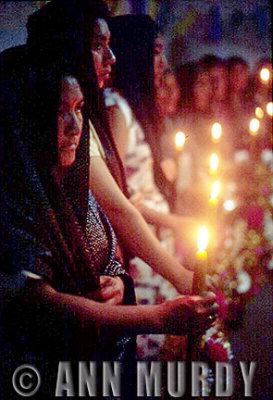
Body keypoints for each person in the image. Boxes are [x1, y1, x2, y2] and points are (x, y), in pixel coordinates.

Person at [0, 60, 216, 398]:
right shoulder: (11, 199)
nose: (75, 126)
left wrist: (117, 283)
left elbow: (108, 254)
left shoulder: (73, 186)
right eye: (60, 111)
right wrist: (157, 317)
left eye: (79, 108)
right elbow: (39, 303)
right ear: (27, 119)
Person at [25, 0, 198, 297]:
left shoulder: (92, 115)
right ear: (71, 47)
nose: (111, 58)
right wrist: (183, 277)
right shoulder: (100, 114)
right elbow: (118, 205)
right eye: (97, 45)